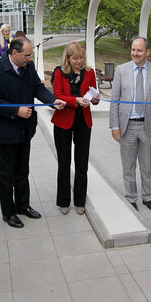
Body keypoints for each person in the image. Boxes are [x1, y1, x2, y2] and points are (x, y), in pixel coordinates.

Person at [0, 37, 64, 228]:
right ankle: (8, 212)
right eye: (26, 56)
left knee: (22, 171)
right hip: (6, 131)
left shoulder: (28, 67)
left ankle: (23, 205)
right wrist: (15, 110)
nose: (29, 59)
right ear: (14, 53)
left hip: (25, 129)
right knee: (6, 175)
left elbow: (37, 88)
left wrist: (53, 100)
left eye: (30, 56)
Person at [109, 37, 151, 211]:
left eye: (139, 50)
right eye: (133, 50)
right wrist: (115, 126)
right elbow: (114, 101)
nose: (135, 53)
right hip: (127, 126)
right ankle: (131, 197)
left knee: (147, 165)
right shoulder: (121, 70)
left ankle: (148, 197)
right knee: (128, 166)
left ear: (147, 52)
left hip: (148, 126)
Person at [51, 42, 100, 215]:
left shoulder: (89, 72)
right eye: (75, 58)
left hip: (83, 122)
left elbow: (94, 93)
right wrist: (76, 100)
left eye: (81, 58)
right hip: (63, 120)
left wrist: (94, 99)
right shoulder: (59, 72)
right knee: (64, 163)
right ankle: (63, 200)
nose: (79, 62)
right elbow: (57, 95)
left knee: (82, 163)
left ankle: (80, 200)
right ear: (68, 58)